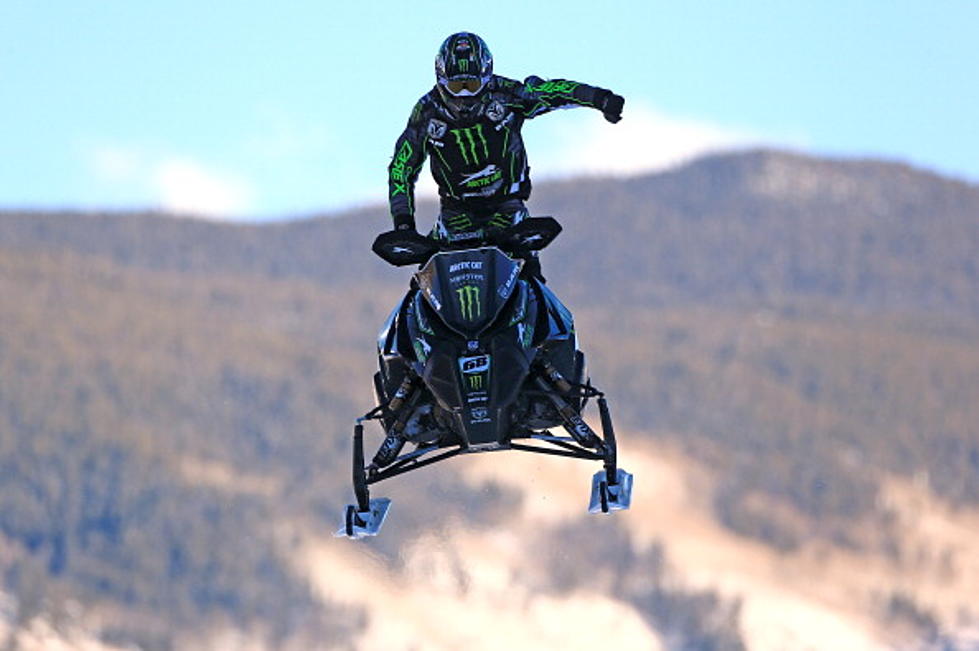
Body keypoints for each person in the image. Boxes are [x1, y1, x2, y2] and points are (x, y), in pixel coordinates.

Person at [386, 31, 624, 269]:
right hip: (455, 215)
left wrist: (598, 98)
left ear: (487, 77)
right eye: (458, 86)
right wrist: (404, 223)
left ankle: (542, 300)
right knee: (425, 282)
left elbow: (549, 92)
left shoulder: (507, 94)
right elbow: (401, 167)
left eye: (472, 84)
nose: (465, 95)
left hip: (508, 208)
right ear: (441, 80)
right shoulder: (426, 112)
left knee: (529, 275)